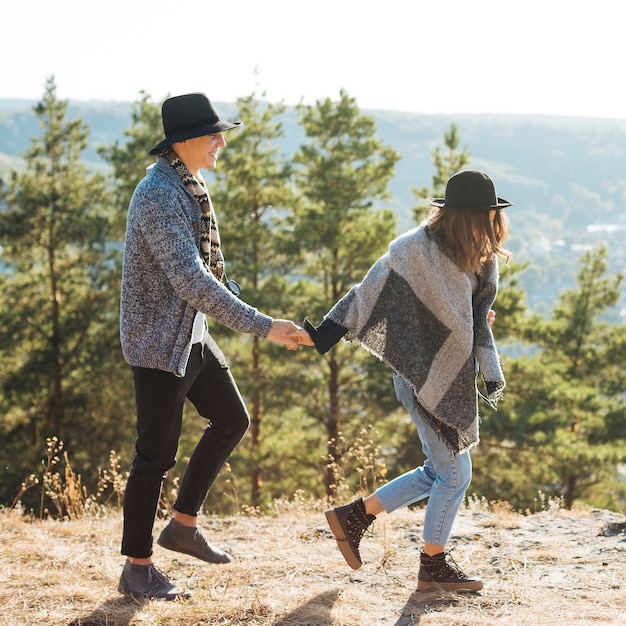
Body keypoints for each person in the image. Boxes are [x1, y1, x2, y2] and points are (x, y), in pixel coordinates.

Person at [118, 92, 300, 600]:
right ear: (184, 141)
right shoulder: (158, 195)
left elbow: (210, 273)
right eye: (214, 133)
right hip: (160, 347)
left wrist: (252, 311)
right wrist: (263, 325)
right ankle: (137, 569)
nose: (221, 141)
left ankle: (182, 527)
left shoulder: (188, 185)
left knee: (233, 419)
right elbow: (192, 282)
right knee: (154, 457)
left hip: (190, 337)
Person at [294, 169, 512, 592]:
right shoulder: (415, 249)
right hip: (417, 375)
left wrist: (473, 320)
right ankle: (432, 564)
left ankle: (355, 516)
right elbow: (367, 291)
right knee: (454, 475)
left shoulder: (480, 259)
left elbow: (462, 311)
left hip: (454, 374)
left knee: (439, 470)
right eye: (487, 214)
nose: (492, 222)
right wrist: (323, 335)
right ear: (465, 216)